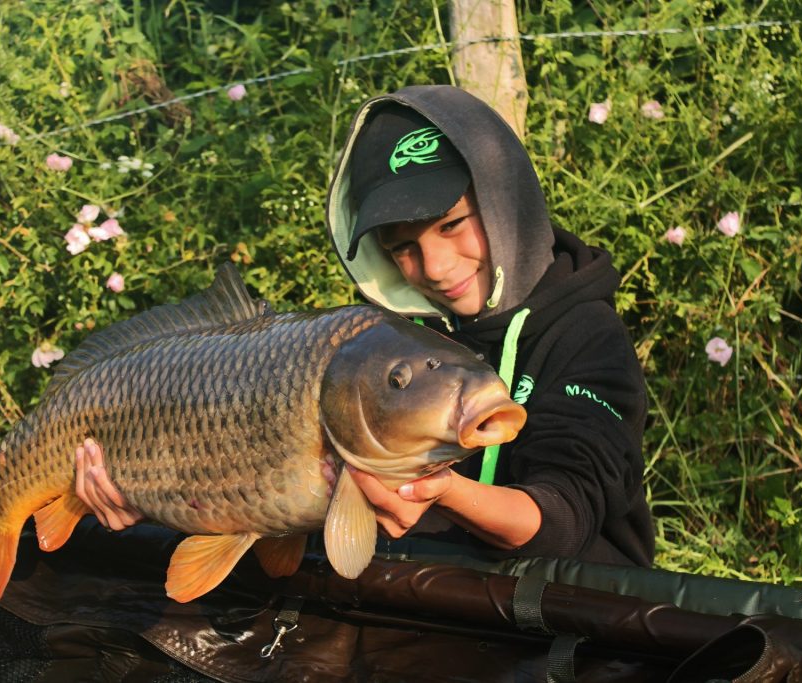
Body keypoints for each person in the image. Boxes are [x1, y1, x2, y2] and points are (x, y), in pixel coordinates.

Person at [77, 84, 654, 568]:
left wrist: (444, 494)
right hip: (426, 614)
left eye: (452, 225)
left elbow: (561, 519)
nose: (434, 267)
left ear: (507, 202)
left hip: (569, 622)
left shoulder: (585, 334)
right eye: (403, 247)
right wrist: (151, 493)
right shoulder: (386, 344)